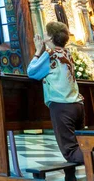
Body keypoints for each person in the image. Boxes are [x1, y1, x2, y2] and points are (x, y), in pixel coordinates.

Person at [27, 22, 84, 164]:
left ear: (50, 38)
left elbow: (32, 72)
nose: (43, 35)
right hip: (77, 105)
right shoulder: (67, 52)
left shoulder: (51, 54)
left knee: (70, 152)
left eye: (46, 33)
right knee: (83, 146)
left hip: (62, 105)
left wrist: (38, 51)